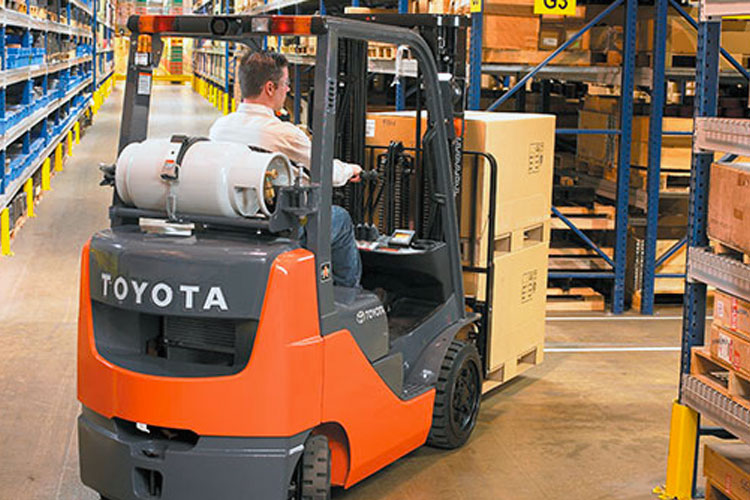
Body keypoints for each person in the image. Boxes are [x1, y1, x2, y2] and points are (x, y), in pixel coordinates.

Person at [209, 50, 362, 288]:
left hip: (230, 220)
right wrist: (350, 170)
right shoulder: (282, 132)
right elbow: (327, 171)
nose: (288, 90)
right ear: (270, 88)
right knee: (340, 219)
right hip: (273, 228)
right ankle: (345, 293)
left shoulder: (219, 127)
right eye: (286, 84)